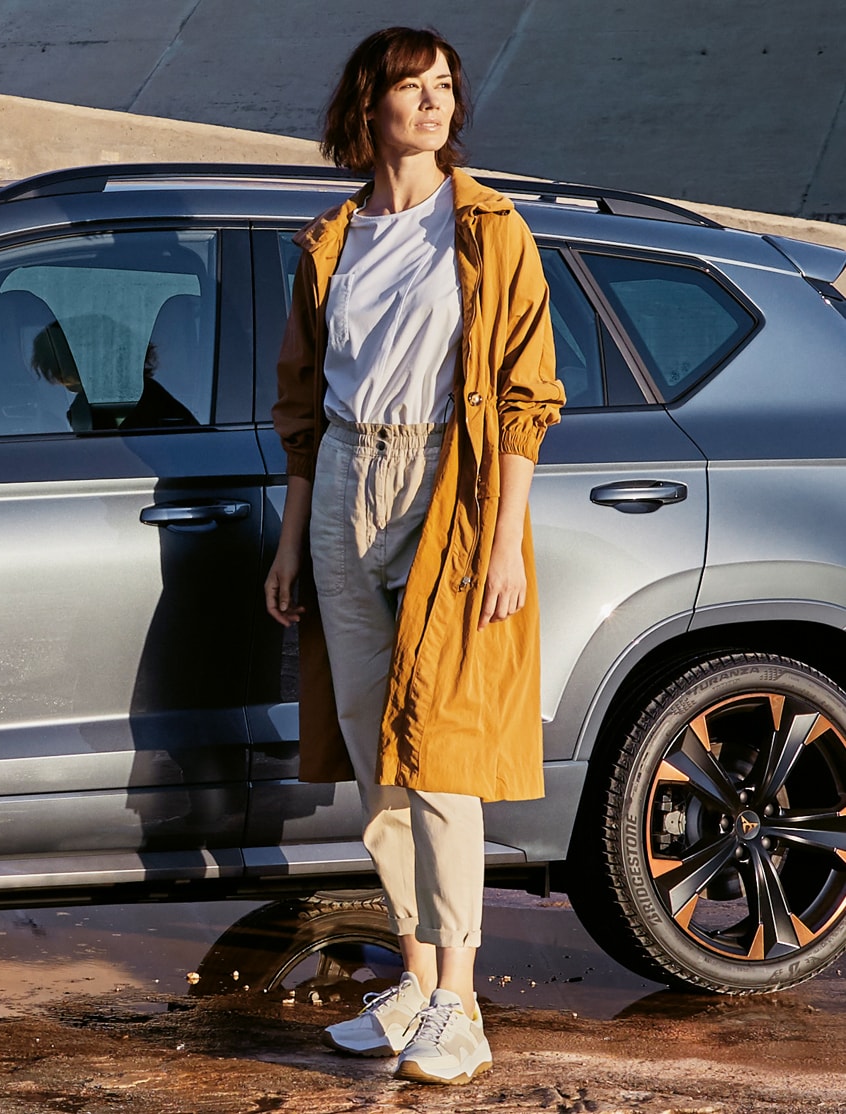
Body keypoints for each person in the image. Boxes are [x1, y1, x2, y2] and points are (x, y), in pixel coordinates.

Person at [263, 26, 564, 1085]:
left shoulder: (486, 227)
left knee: (439, 754)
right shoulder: (331, 239)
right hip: (347, 477)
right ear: (371, 104)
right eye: (413, 86)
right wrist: (293, 540)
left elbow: (529, 393)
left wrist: (500, 541)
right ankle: (416, 977)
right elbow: (303, 408)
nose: (434, 103)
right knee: (371, 747)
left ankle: (461, 1003)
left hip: (448, 487)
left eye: (445, 88)